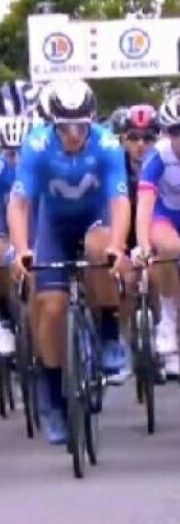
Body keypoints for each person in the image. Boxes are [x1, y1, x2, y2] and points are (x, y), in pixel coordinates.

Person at [9, 79, 130, 445]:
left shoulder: (107, 143)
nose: (75, 134)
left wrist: (119, 245)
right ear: (53, 123)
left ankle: (108, 331)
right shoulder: (37, 146)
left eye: (82, 126)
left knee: (100, 250)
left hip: (94, 218)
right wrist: (21, 249)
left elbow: (120, 200)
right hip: (54, 225)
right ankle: (53, 395)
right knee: (51, 305)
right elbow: (19, 203)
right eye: (66, 127)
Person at [0, 116, 34, 359]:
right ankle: (4, 319)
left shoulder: (39, 165)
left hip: (36, 221)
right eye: (10, 153)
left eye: (20, 152)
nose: (16, 158)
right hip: (4, 222)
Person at [137, 93, 180, 378]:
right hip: (165, 216)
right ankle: (167, 320)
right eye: (176, 131)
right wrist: (142, 245)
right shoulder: (158, 156)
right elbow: (144, 207)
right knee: (170, 248)